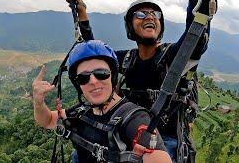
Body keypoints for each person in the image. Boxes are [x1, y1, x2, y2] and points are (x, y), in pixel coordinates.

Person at [69, 0, 217, 161]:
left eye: (155, 14)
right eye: (141, 14)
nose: (149, 17)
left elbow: (196, 32)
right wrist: (83, 19)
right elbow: (96, 56)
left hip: (164, 141)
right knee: (80, 153)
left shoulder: (174, 58)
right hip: (128, 132)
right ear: (130, 26)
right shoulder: (127, 59)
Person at [32, 40, 172, 163]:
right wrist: (38, 103)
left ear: (113, 76)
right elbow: (48, 120)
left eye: (101, 74)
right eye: (83, 78)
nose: (93, 81)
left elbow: (157, 156)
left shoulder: (134, 119)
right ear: (78, 85)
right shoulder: (81, 112)